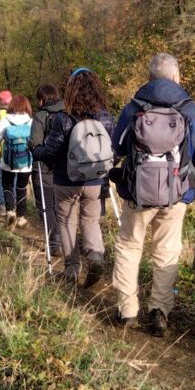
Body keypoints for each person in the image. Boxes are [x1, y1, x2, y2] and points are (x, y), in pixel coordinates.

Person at [110, 53, 195, 336]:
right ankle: (159, 311)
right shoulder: (191, 110)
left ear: (149, 77)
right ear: (177, 77)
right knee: (166, 250)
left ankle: (127, 311)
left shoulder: (133, 108)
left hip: (137, 193)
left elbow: (116, 149)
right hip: (176, 194)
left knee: (130, 246)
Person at [33, 69, 115, 286]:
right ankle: (95, 255)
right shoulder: (106, 118)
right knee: (90, 220)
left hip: (66, 180)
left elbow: (50, 152)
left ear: (70, 91)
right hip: (95, 181)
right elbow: (113, 151)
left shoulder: (63, 118)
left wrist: (37, 151)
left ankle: (71, 271)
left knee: (67, 222)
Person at [0, 94, 33, 226]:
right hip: (26, 163)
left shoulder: (6, 120)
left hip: (8, 161)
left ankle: (10, 212)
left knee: (7, 185)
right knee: (22, 188)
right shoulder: (30, 121)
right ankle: (21, 217)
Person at [30, 84, 65, 256]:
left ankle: (54, 242)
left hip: (43, 168)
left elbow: (35, 143)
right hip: (64, 169)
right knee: (60, 206)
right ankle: (66, 240)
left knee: (46, 206)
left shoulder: (40, 116)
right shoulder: (67, 112)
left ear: (42, 99)